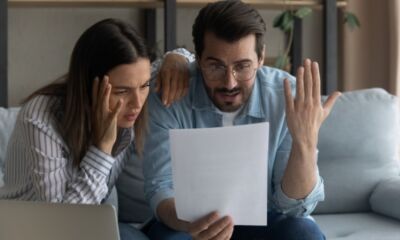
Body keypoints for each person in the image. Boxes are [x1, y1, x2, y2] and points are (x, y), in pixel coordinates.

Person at [142, 1, 341, 239]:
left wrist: (304, 142)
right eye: (215, 66)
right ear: (198, 59)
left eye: (242, 66)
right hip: (186, 224)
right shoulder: (171, 95)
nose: (230, 83)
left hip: (266, 220)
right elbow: (160, 187)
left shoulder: (287, 98)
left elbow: (294, 208)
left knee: (303, 232)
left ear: (261, 58)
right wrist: (190, 224)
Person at [0, 18, 187, 240]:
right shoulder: (39, 120)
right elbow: (63, 227)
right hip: (32, 231)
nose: (138, 103)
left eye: (144, 86)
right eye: (122, 91)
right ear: (90, 86)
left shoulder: (135, 83)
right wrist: (102, 149)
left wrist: (178, 58)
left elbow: (188, 64)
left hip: (95, 223)